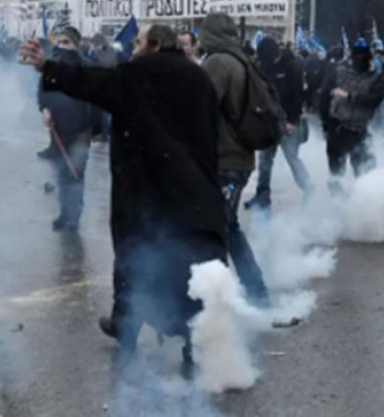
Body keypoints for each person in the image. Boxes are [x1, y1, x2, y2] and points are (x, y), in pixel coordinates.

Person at [18, 24, 227, 377]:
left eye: (139, 42)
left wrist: (47, 68)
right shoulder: (198, 78)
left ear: (156, 45)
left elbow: (92, 82)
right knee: (192, 266)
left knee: (134, 258)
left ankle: (126, 330)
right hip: (193, 189)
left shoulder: (136, 74)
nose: (132, 48)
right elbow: (212, 132)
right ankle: (196, 344)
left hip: (146, 189)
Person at [198, 12, 270, 306]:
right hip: (239, 157)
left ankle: (221, 298)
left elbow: (203, 107)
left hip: (225, 159)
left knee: (218, 230)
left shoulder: (218, 62)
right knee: (229, 227)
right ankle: (255, 293)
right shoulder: (242, 59)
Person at [37, 27, 99, 231]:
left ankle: (74, 217)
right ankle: (65, 213)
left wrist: (96, 128)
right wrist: (44, 109)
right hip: (58, 130)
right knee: (62, 173)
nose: (62, 46)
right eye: (60, 42)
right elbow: (42, 91)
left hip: (81, 130)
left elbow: (98, 100)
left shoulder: (87, 68)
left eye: (67, 42)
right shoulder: (52, 66)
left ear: (77, 44)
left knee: (75, 173)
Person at [245, 37, 312, 210]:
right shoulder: (264, 66)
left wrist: (292, 120)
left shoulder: (292, 65)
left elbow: (299, 95)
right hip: (270, 120)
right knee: (265, 159)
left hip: (289, 121)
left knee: (292, 158)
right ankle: (262, 194)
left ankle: (309, 188)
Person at [319, 38, 384, 192]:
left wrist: (349, 96)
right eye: (357, 56)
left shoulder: (376, 78)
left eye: (363, 56)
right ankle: (338, 206)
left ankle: (361, 206)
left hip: (360, 130)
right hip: (338, 128)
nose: (359, 59)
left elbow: (374, 100)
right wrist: (326, 126)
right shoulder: (338, 72)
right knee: (336, 174)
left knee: (365, 174)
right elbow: (324, 98)